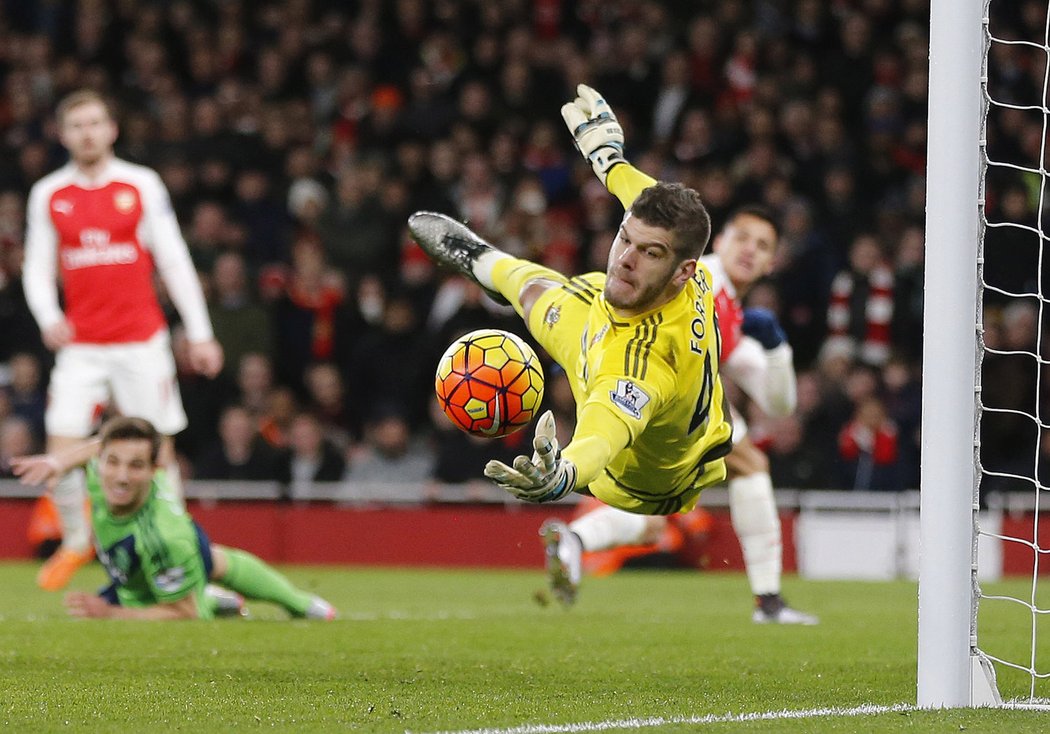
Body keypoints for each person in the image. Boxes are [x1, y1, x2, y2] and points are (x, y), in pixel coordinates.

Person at [407, 99, 735, 606]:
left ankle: (484, 263)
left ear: (683, 271)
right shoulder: (680, 265)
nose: (625, 260)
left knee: (545, 300)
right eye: (625, 238)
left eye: (648, 253)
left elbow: (605, 433)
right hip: (650, 368)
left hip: (644, 479)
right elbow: (640, 194)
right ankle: (481, 258)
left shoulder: (642, 365)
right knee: (542, 290)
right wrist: (608, 157)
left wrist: (563, 474)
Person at [552, 85, 817, 624]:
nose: (749, 249)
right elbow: (648, 210)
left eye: (763, 247)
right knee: (752, 464)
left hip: (656, 417)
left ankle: (574, 540)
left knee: (655, 523)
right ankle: (767, 599)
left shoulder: (736, 319)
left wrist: (777, 348)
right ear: (715, 247)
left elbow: (779, 404)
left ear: (771, 265)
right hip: (638, 393)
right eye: (742, 237)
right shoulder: (700, 282)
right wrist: (609, 159)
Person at [22, 90, 224, 592]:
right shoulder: (49, 192)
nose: (87, 133)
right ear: (63, 134)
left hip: (140, 340)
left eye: (95, 123)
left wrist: (199, 333)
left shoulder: (140, 184)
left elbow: (173, 258)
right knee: (62, 440)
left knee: (158, 452)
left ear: (111, 129)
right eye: (76, 125)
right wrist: (49, 316)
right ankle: (75, 540)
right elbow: (36, 265)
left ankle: (176, 545)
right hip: (82, 343)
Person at [11, 416, 336, 621]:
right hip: (132, 568)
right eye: (113, 462)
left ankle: (296, 603)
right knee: (214, 563)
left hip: (172, 546)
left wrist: (112, 614)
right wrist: (57, 462)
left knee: (201, 576)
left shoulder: (163, 537)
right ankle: (219, 596)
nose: (121, 477)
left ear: (155, 471)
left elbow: (184, 615)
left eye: (136, 466)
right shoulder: (100, 470)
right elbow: (99, 446)